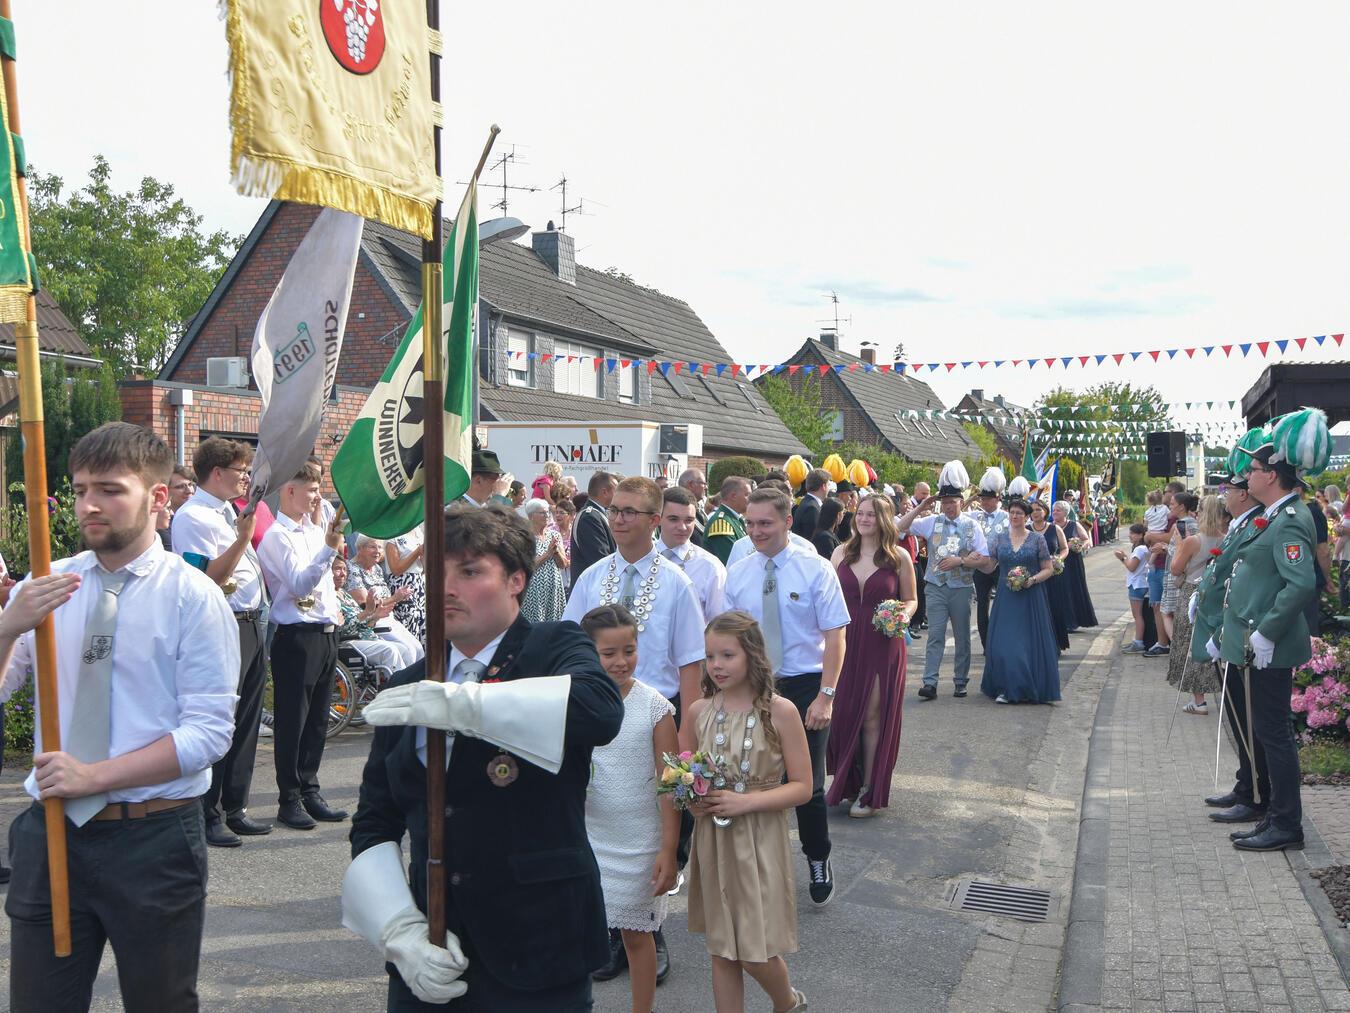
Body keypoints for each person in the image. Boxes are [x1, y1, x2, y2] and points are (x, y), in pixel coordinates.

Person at [344, 505, 624, 1011]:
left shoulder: (553, 646)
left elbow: (599, 711)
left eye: (470, 572)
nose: (447, 588)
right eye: (438, 571)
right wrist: (397, 929)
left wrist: (465, 704)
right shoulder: (410, 684)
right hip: (433, 949)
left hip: (537, 945)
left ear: (517, 580)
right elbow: (374, 821)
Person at [0, 422, 238, 1012]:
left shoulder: (192, 596)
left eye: (109, 489)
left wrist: (93, 777)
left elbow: (208, 733)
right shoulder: (46, 585)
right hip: (52, 833)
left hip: (153, 837)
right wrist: (7, 626)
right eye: (81, 489)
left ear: (157, 497)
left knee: (160, 1002)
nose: (89, 505)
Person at [562, 476, 705, 981]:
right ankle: (610, 929)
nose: (618, 519)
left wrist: (685, 749)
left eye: (630, 512)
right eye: (614, 510)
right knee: (601, 815)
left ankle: (649, 928)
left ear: (653, 521)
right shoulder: (590, 577)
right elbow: (569, 649)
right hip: (596, 715)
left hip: (655, 716)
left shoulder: (676, 583)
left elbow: (690, 667)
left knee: (655, 821)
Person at [724, 486, 848, 905]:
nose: (756, 531)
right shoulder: (738, 573)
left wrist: (826, 696)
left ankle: (817, 855)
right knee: (754, 779)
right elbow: (729, 638)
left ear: (788, 522)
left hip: (806, 685)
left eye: (765, 523)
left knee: (806, 783)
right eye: (750, 523)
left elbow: (835, 636)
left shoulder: (815, 569)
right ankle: (759, 867)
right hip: (756, 685)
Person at [682, 611, 811, 1013]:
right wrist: (692, 798)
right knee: (722, 950)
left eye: (727, 655)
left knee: (755, 953)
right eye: (710, 656)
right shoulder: (699, 711)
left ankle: (787, 1002)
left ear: (752, 654)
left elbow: (803, 787)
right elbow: (683, 773)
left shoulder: (780, 711)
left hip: (760, 839)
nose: (716, 665)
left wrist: (746, 801)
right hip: (714, 839)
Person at [1216, 409, 1329, 852]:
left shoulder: (1291, 518)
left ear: (1273, 475)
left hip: (1271, 644)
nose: (1248, 476)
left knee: (1274, 734)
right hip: (1258, 639)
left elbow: (1299, 583)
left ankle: (1286, 824)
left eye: (1254, 469)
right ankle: (1275, 815)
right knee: (1266, 731)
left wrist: (1266, 631)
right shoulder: (1275, 514)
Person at [171, 437, 272, 848]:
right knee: (220, 720)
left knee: (247, 721)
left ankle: (236, 807)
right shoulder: (193, 516)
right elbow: (206, 576)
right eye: (240, 471)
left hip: (251, 622)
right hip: (222, 623)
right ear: (216, 473)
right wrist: (243, 538)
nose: (246, 478)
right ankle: (208, 813)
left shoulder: (228, 511)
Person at [579, 605, 679, 1013]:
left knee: (637, 937)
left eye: (629, 650)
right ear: (588, 652)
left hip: (639, 844)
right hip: (586, 838)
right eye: (609, 653)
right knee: (581, 934)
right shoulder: (575, 702)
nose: (621, 661)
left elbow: (669, 785)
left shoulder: (655, 707)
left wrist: (668, 849)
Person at [257, 461, 350, 831]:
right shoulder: (278, 536)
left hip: (325, 632)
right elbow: (298, 584)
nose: (316, 497)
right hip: (297, 636)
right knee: (293, 722)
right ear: (289, 490)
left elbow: (324, 586)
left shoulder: (313, 531)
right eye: (310, 490)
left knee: (317, 721)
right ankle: (289, 798)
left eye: (317, 489)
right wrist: (328, 550)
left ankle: (310, 789)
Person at [825, 494, 917, 817]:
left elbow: (911, 600)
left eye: (871, 514)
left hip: (882, 642)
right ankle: (848, 781)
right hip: (844, 640)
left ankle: (868, 789)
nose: (864, 519)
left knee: (872, 716)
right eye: (860, 513)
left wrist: (901, 614)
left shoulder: (899, 557)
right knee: (842, 712)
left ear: (884, 519)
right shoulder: (840, 553)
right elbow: (825, 597)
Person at [1192, 446, 1268, 825]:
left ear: (1244, 494)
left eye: (1230, 489)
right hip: (1226, 627)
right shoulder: (1242, 523)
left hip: (1241, 631)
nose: (1225, 496)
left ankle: (1256, 794)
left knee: (1248, 719)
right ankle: (1245, 784)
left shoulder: (1259, 522)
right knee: (1238, 718)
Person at [896, 462, 988, 701]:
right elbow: (899, 528)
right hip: (936, 586)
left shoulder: (972, 525)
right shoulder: (932, 521)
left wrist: (961, 561)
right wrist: (921, 507)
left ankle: (960, 681)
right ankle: (930, 682)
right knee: (935, 635)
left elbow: (985, 558)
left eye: (952, 502)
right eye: (944, 502)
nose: (948, 506)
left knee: (962, 636)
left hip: (961, 588)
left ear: (961, 501)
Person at [976, 498, 1061, 704]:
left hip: (1030, 597)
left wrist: (1032, 580)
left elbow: (1048, 569)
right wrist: (971, 561)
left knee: (1027, 644)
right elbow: (989, 566)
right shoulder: (999, 539)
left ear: (1027, 516)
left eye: (1019, 513)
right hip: (1006, 597)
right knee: (1004, 643)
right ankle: (1007, 687)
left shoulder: (1037, 540)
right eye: (1012, 512)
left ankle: (1027, 687)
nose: (1015, 516)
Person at [1165, 494, 1226, 713]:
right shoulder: (1226, 539)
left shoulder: (1193, 541)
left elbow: (1175, 569)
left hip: (1192, 592)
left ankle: (1198, 699)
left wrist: (1179, 545)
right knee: (1209, 641)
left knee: (1189, 642)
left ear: (1200, 513)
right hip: (1216, 594)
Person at [333, 556, 420, 674]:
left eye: (344, 569)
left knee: (404, 649)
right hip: (349, 642)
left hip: (365, 637)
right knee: (389, 650)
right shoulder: (330, 597)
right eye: (338, 569)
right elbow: (342, 629)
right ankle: (397, 684)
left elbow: (363, 624)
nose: (343, 573)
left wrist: (375, 616)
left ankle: (408, 682)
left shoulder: (344, 594)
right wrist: (367, 612)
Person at [658, 486, 727, 620]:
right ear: (658, 518)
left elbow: (719, 622)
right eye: (673, 519)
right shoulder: (642, 557)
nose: (682, 527)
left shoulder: (710, 567)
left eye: (689, 520)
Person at [967, 467, 1009, 649]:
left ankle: (1001, 641)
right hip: (980, 566)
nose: (983, 502)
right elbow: (955, 514)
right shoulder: (975, 515)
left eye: (987, 499)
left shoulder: (1007, 517)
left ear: (997, 498)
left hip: (1001, 566)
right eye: (982, 499)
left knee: (1003, 604)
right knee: (982, 605)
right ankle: (986, 644)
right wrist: (970, 499)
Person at [1030, 500, 1071, 653]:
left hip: (1053, 576)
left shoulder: (1055, 529)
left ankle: (1055, 644)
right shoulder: (1026, 530)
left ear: (1045, 511)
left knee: (1053, 609)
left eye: (1038, 510)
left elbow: (1065, 548)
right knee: (1036, 610)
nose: (1035, 513)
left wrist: (1058, 559)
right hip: (1033, 576)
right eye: (1032, 510)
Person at [1159, 492, 1199, 644]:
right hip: (1183, 573)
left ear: (1181, 507)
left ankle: (1176, 644)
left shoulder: (1182, 525)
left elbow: (1181, 549)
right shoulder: (1193, 523)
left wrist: (1165, 548)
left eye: (1172, 504)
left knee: (1167, 611)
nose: (1170, 507)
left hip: (1177, 574)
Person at [520, 497, 568, 622]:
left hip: (554, 588)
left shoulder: (554, 535)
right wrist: (547, 554)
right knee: (536, 625)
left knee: (554, 625)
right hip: (534, 591)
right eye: (542, 513)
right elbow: (526, 566)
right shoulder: (525, 537)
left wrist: (556, 552)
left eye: (547, 512)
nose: (547, 515)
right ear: (531, 516)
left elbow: (563, 564)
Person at [1056, 499, 1099, 632]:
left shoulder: (1074, 525)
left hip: (1073, 562)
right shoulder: (1051, 526)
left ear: (1065, 513)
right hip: (1058, 561)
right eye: (1054, 510)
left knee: (1073, 588)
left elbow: (1086, 540)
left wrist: (1079, 545)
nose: (1055, 512)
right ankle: (1062, 621)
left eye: (1058, 510)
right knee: (1060, 590)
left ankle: (1074, 621)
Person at [571, 470, 618, 581]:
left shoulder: (598, 514)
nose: (618, 495)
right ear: (604, 492)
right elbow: (600, 559)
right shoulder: (589, 517)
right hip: (593, 585)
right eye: (616, 490)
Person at [385, 523, 428, 643]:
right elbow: (396, 569)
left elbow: (422, 568)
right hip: (402, 584)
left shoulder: (418, 532)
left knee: (422, 624)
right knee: (409, 625)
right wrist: (417, 552)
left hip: (418, 583)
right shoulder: (392, 534)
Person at [1115, 524, 1151, 654]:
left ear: (1141, 535)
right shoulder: (1144, 548)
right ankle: (1138, 641)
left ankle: (1138, 642)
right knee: (1139, 615)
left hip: (1136, 584)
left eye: (1132, 533)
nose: (1130, 536)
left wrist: (1123, 558)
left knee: (1137, 616)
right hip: (1142, 583)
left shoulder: (1140, 549)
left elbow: (1131, 567)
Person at [703, 476, 750, 566]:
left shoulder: (734, 519)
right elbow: (732, 562)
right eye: (747, 495)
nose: (750, 499)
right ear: (733, 496)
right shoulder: (721, 523)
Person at [790, 468, 829, 538]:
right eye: (828, 485)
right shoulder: (812, 508)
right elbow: (812, 537)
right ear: (824, 486)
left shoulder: (807, 502)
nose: (829, 489)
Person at [678, 468, 709, 546]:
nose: (706, 487)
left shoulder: (697, 509)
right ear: (691, 484)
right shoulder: (678, 509)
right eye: (703, 483)